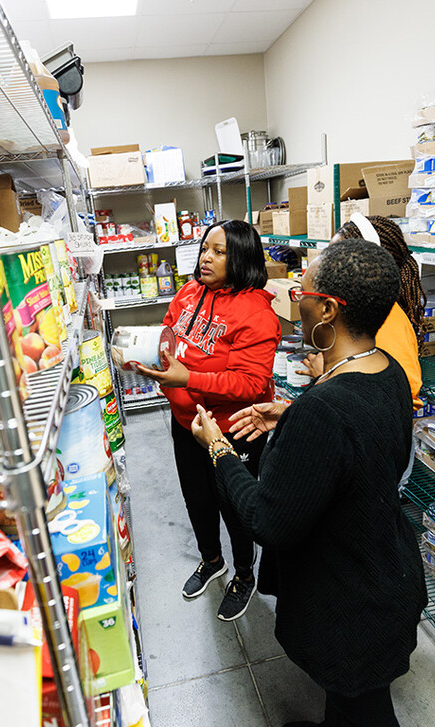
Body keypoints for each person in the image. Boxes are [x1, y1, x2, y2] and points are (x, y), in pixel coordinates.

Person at [190, 239, 428, 726]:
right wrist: (292, 416)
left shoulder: (325, 409)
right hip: (386, 571)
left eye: (302, 288)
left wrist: (218, 449)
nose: (294, 296)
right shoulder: (390, 375)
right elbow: (357, 451)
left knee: (364, 709)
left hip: (350, 604)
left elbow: (265, 520)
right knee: (354, 702)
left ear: (327, 309)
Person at [135, 219, 280, 622]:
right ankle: (211, 559)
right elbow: (170, 328)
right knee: (197, 499)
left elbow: (252, 384)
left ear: (242, 258)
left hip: (232, 430)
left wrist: (189, 377)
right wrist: (148, 350)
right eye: (204, 249)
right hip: (186, 423)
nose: (206, 258)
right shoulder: (189, 292)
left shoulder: (257, 313)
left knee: (235, 507)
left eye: (219, 251)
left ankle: (244, 574)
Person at [302, 213, 424, 410]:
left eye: (337, 256)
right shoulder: (355, 309)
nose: (327, 265)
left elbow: (403, 398)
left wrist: (324, 377)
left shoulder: (387, 320)